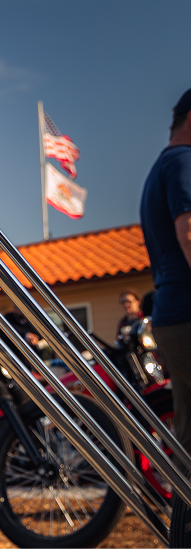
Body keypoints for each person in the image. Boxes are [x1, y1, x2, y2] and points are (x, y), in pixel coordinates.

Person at [140, 86, 191, 456]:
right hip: (187, 311)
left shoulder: (163, 165)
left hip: (173, 314)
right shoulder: (183, 161)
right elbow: (189, 232)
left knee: (188, 434)